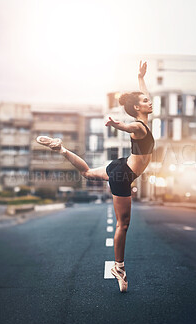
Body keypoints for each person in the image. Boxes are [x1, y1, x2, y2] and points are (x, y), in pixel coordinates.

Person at [36, 61, 154, 292]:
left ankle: (62, 149)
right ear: (138, 109)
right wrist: (115, 124)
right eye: (145, 102)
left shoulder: (145, 120)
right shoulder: (139, 126)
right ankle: (118, 267)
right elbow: (128, 126)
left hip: (121, 166)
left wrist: (140, 78)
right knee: (124, 224)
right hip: (123, 174)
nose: (150, 102)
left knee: (87, 172)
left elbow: (144, 97)